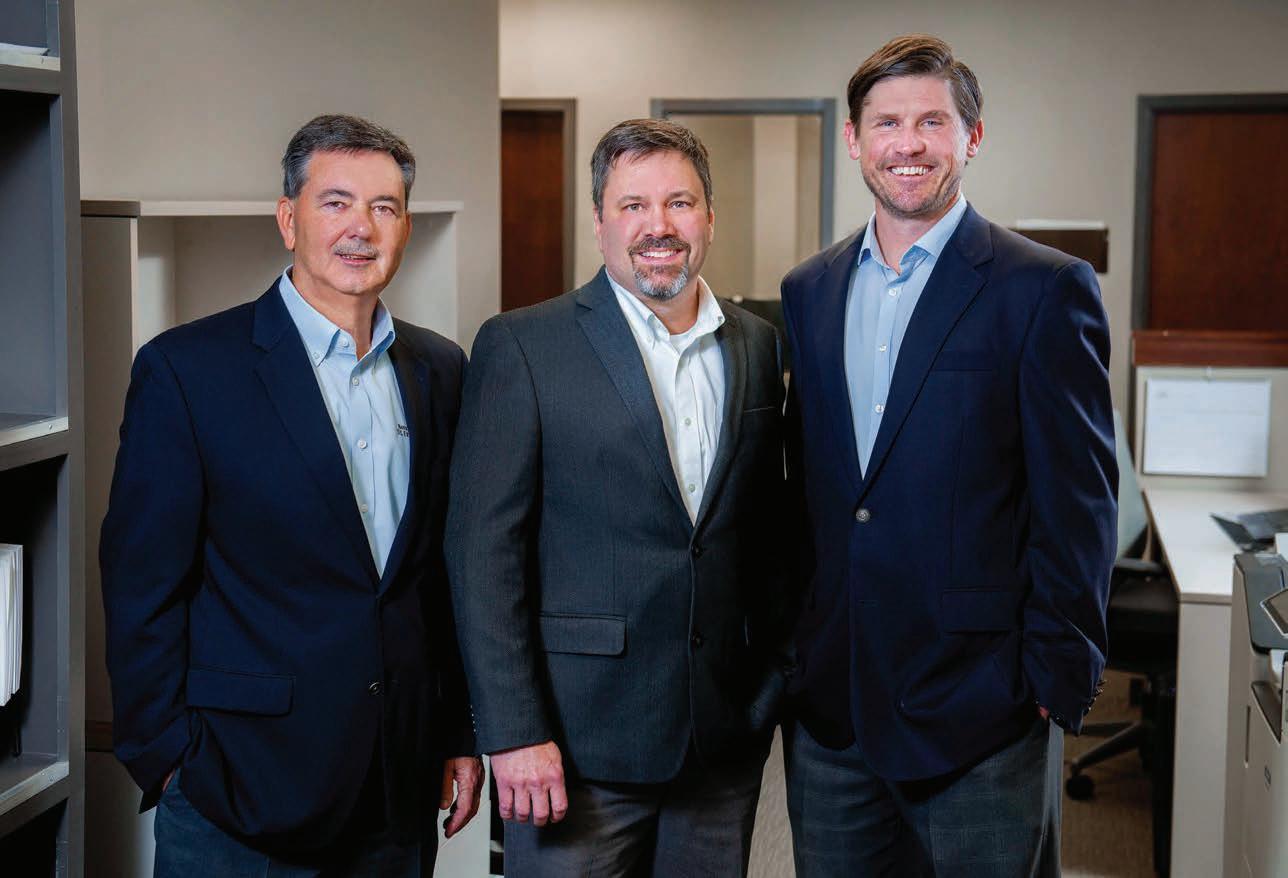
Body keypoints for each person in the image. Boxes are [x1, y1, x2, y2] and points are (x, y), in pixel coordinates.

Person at [100, 114, 481, 876]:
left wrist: (455, 733)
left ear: (405, 228)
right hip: (237, 792)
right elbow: (141, 584)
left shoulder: (442, 371)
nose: (361, 228)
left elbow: (438, 580)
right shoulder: (188, 371)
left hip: (394, 791)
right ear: (288, 220)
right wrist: (168, 758)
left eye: (384, 207)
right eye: (335, 203)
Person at [780, 35, 1117, 876]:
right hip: (833, 707)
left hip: (982, 706)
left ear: (973, 137)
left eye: (933, 121)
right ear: (854, 139)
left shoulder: (1041, 288)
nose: (909, 144)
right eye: (887, 123)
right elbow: (811, 493)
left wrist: (1054, 679)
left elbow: (1078, 504)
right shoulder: (809, 291)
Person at [446, 118, 793, 877]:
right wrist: (513, 732)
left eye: (679, 203)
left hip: (720, 740)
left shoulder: (758, 344)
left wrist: (770, 685)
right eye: (633, 205)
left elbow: (768, 532)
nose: (657, 226)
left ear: (709, 217)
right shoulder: (523, 346)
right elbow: (482, 557)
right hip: (573, 747)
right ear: (599, 222)